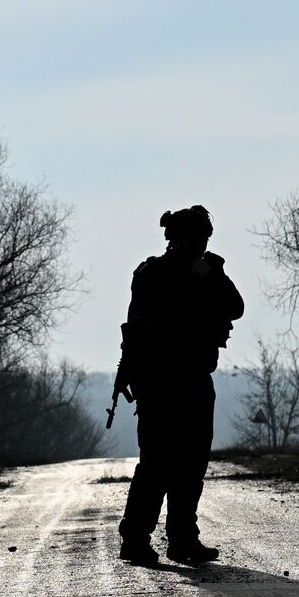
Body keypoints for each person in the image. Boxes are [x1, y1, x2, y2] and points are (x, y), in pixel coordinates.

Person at [114, 206, 245, 566]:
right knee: (156, 465)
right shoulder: (152, 275)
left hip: (195, 380)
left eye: (203, 239)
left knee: (192, 466)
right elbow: (142, 322)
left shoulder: (207, 271)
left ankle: (184, 539)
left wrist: (211, 275)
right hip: (159, 382)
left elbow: (236, 308)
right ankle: (136, 539)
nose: (199, 245)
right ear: (175, 238)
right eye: (193, 239)